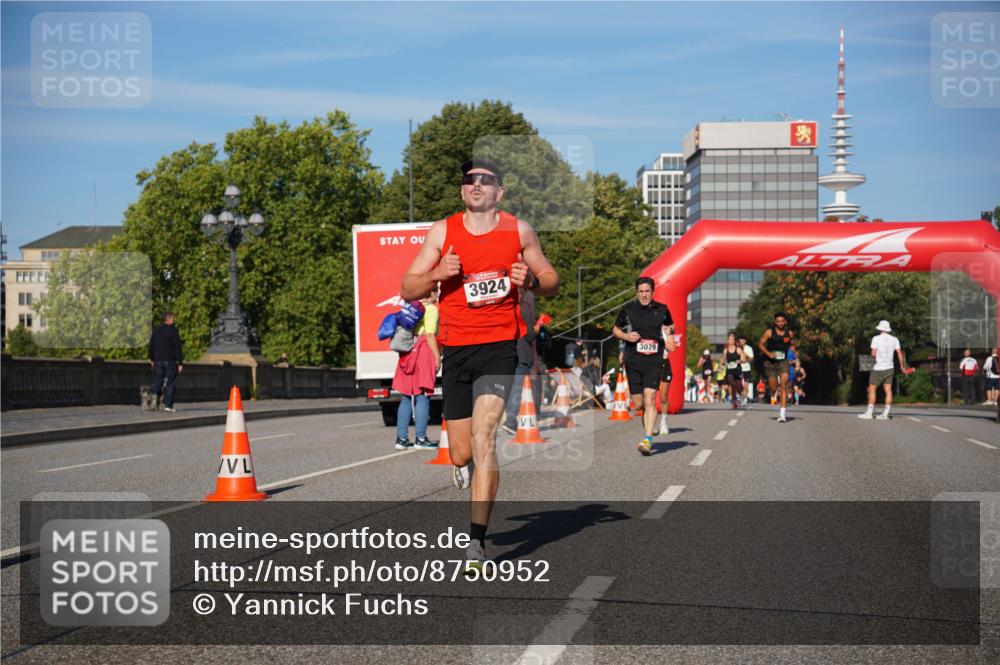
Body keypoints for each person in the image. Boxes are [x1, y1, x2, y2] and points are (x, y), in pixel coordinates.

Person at [400, 157, 559, 571]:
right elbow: (408, 286)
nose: (477, 185)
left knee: (484, 436)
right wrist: (438, 272)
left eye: (486, 181)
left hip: (499, 348)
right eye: (470, 180)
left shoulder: (519, 230)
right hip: (456, 348)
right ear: (462, 191)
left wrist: (531, 281)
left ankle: (476, 542)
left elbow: (551, 280)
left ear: (498, 192)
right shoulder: (443, 231)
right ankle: (464, 467)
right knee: (459, 453)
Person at [612, 276, 675, 456]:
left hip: (654, 361)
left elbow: (671, 326)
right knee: (639, 403)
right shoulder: (628, 309)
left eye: (647, 291)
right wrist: (626, 336)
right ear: (636, 293)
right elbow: (615, 329)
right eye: (641, 292)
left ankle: (648, 440)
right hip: (633, 361)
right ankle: (648, 427)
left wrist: (669, 332)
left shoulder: (662, 309)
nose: (644, 295)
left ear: (653, 292)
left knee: (650, 397)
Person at [392, 286, 441, 450]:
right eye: (437, 291)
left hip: (408, 350)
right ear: (432, 293)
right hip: (424, 350)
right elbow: (430, 334)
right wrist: (437, 357)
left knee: (406, 396)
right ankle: (420, 438)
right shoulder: (431, 309)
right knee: (423, 396)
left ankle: (401, 439)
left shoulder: (411, 307)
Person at [502, 289, 539, 435]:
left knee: (510, 389)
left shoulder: (504, 309)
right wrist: (537, 329)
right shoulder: (523, 310)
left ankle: (509, 419)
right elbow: (529, 334)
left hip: (507, 354)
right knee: (518, 388)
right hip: (522, 353)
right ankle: (511, 421)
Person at [858, 320, 910, 420]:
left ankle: (869, 413)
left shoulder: (876, 339)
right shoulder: (895, 339)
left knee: (872, 389)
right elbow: (899, 353)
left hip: (878, 368)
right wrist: (902, 366)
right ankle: (885, 414)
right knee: (888, 390)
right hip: (890, 368)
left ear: (880, 328)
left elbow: (873, 354)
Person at [759, 312, 794, 422]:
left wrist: (793, 356)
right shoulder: (769, 332)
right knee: (773, 388)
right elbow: (760, 344)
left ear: (785, 322)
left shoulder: (789, 334)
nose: (780, 323)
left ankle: (782, 414)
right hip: (770, 363)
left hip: (783, 362)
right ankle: (773, 390)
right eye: (778, 321)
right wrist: (768, 353)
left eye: (782, 321)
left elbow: (792, 345)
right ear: (775, 322)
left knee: (784, 385)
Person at [148, 312, 183, 412]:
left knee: (158, 381)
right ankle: (168, 405)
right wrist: (180, 362)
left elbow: (151, 345)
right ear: (169, 319)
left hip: (158, 359)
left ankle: (155, 400)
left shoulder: (156, 330)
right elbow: (177, 347)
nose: (174, 320)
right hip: (170, 360)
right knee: (171, 383)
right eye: (173, 318)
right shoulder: (173, 331)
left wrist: (151, 359)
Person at [654, 324, 676, 435]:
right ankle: (652, 422)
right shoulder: (648, 327)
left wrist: (661, 340)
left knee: (663, 396)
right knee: (650, 395)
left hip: (664, 363)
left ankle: (663, 422)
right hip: (651, 363)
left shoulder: (667, 330)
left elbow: (672, 348)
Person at [722, 333, 747, 410]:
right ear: (727, 341)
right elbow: (723, 360)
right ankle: (734, 401)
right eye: (729, 339)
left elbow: (744, 359)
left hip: (737, 370)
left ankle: (740, 397)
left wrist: (740, 361)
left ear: (734, 340)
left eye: (732, 339)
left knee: (739, 388)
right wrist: (722, 364)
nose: (731, 340)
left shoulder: (738, 349)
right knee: (732, 385)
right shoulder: (725, 350)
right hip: (729, 371)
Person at [738, 335, 754, 403]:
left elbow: (751, 359)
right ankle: (741, 397)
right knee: (739, 386)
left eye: (744, 339)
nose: (742, 341)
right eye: (741, 339)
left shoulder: (749, 348)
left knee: (746, 385)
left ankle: (744, 399)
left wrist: (746, 359)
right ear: (739, 340)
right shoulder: (736, 347)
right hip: (738, 368)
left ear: (745, 341)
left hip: (746, 368)